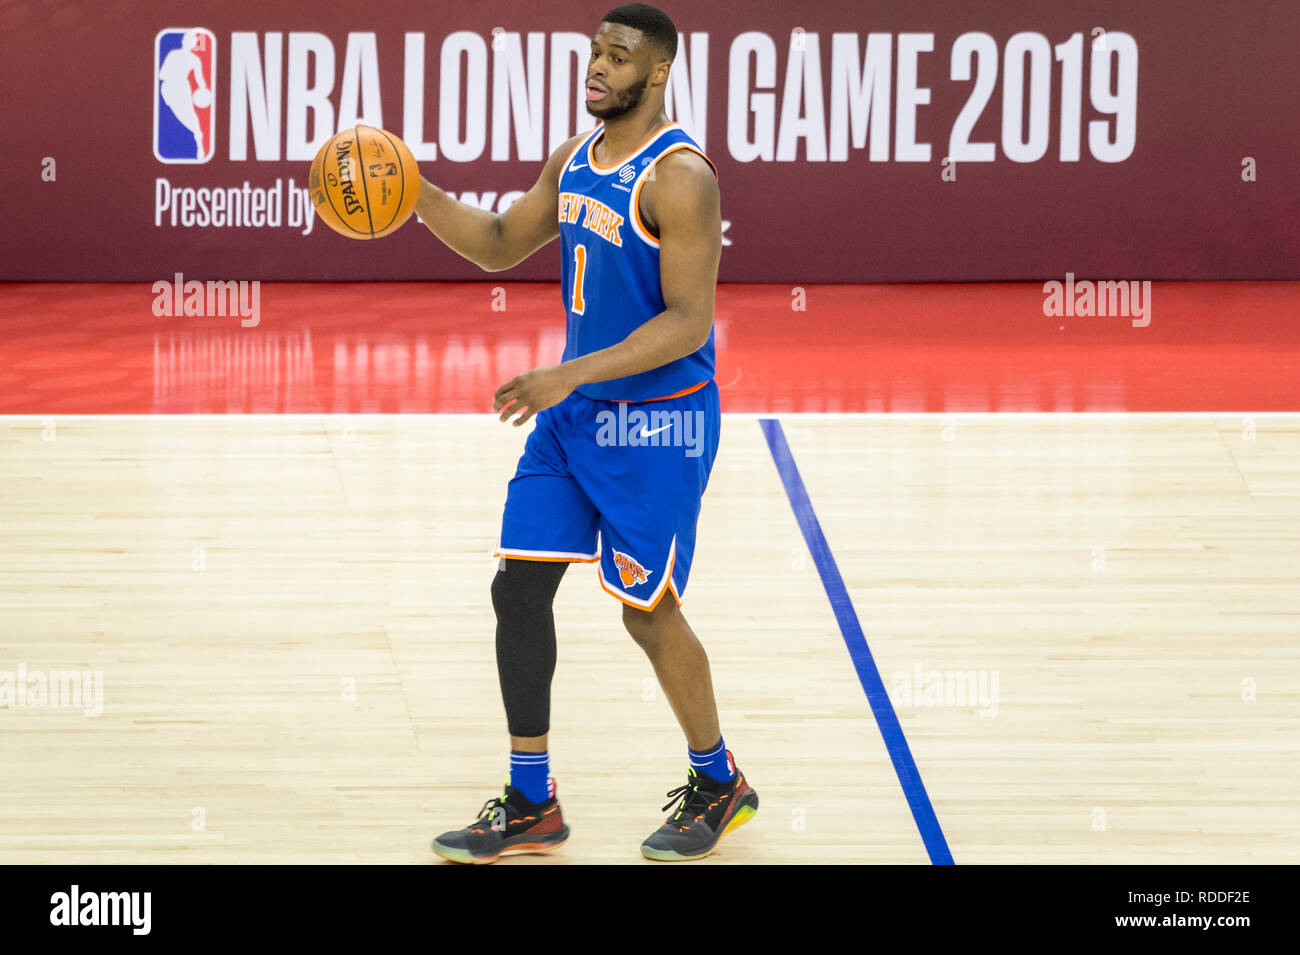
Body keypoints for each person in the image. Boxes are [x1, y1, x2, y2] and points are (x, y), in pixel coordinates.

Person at [416, 3, 757, 863]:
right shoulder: (573, 160)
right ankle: (531, 799)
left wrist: (566, 371)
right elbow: (498, 242)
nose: (599, 66)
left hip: (658, 424)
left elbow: (688, 323)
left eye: (619, 55)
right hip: (572, 421)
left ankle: (719, 781)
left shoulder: (681, 178)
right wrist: (413, 193)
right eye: (595, 51)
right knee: (518, 590)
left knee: (647, 614)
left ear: (659, 72)